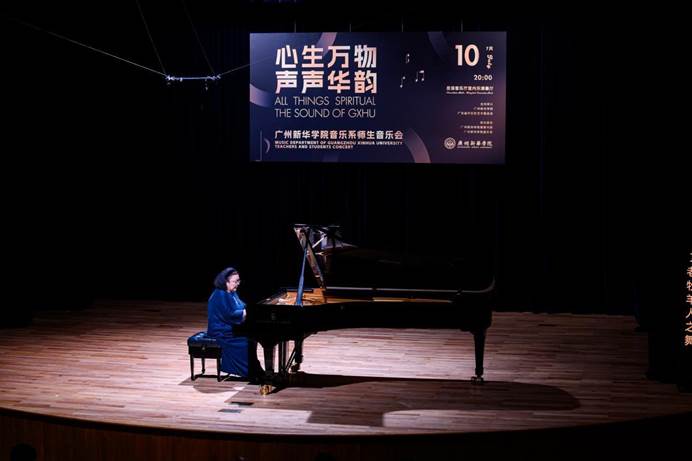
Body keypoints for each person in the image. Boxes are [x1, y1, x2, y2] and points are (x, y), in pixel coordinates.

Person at [207, 267, 264, 379]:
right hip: (220, 330)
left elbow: (242, 305)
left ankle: (254, 369)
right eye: (235, 281)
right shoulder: (220, 294)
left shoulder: (231, 293)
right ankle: (247, 371)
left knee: (252, 337)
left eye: (238, 281)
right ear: (226, 282)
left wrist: (250, 310)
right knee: (245, 340)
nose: (238, 284)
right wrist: (246, 312)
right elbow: (229, 314)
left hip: (228, 327)